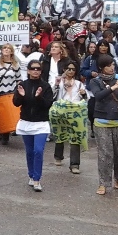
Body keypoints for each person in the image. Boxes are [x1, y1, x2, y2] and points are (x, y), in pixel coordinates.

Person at [89, 55, 118, 195]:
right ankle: (103, 183)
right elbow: (98, 96)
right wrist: (114, 87)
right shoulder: (95, 81)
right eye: (108, 65)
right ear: (101, 67)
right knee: (105, 154)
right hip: (101, 121)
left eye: (113, 65)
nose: (111, 67)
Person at [13, 59, 54, 192]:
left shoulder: (45, 86)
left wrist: (38, 97)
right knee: (30, 151)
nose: (35, 71)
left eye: (38, 69)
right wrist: (21, 96)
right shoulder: (22, 85)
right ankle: (31, 175)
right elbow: (16, 103)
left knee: (38, 150)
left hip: (41, 123)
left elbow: (48, 104)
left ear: (41, 71)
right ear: (28, 70)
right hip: (26, 122)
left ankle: (37, 179)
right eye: (33, 68)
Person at [52, 62, 88, 174]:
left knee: (75, 137)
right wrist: (57, 85)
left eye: (73, 69)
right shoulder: (58, 81)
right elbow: (52, 95)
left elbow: (86, 99)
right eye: (68, 69)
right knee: (60, 134)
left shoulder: (79, 83)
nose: (71, 71)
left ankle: (74, 164)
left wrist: (83, 94)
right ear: (64, 69)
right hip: (60, 110)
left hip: (75, 111)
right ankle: (58, 156)